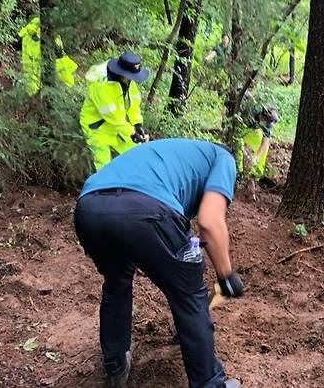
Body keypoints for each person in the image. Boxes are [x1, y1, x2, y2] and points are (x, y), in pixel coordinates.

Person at [74, 139, 244, 388]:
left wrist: (191, 259)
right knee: (189, 294)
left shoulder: (173, 154)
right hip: (147, 210)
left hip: (89, 209)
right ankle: (210, 383)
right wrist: (226, 275)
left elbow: (186, 232)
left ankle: (115, 363)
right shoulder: (224, 159)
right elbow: (209, 220)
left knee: (117, 281)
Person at [80, 52, 150, 171]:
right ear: (122, 72)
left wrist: (137, 124)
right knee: (104, 166)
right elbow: (112, 116)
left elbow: (133, 103)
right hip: (97, 126)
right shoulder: (101, 85)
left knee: (136, 154)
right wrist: (132, 133)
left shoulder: (128, 81)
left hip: (118, 125)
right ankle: (102, 188)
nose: (133, 80)